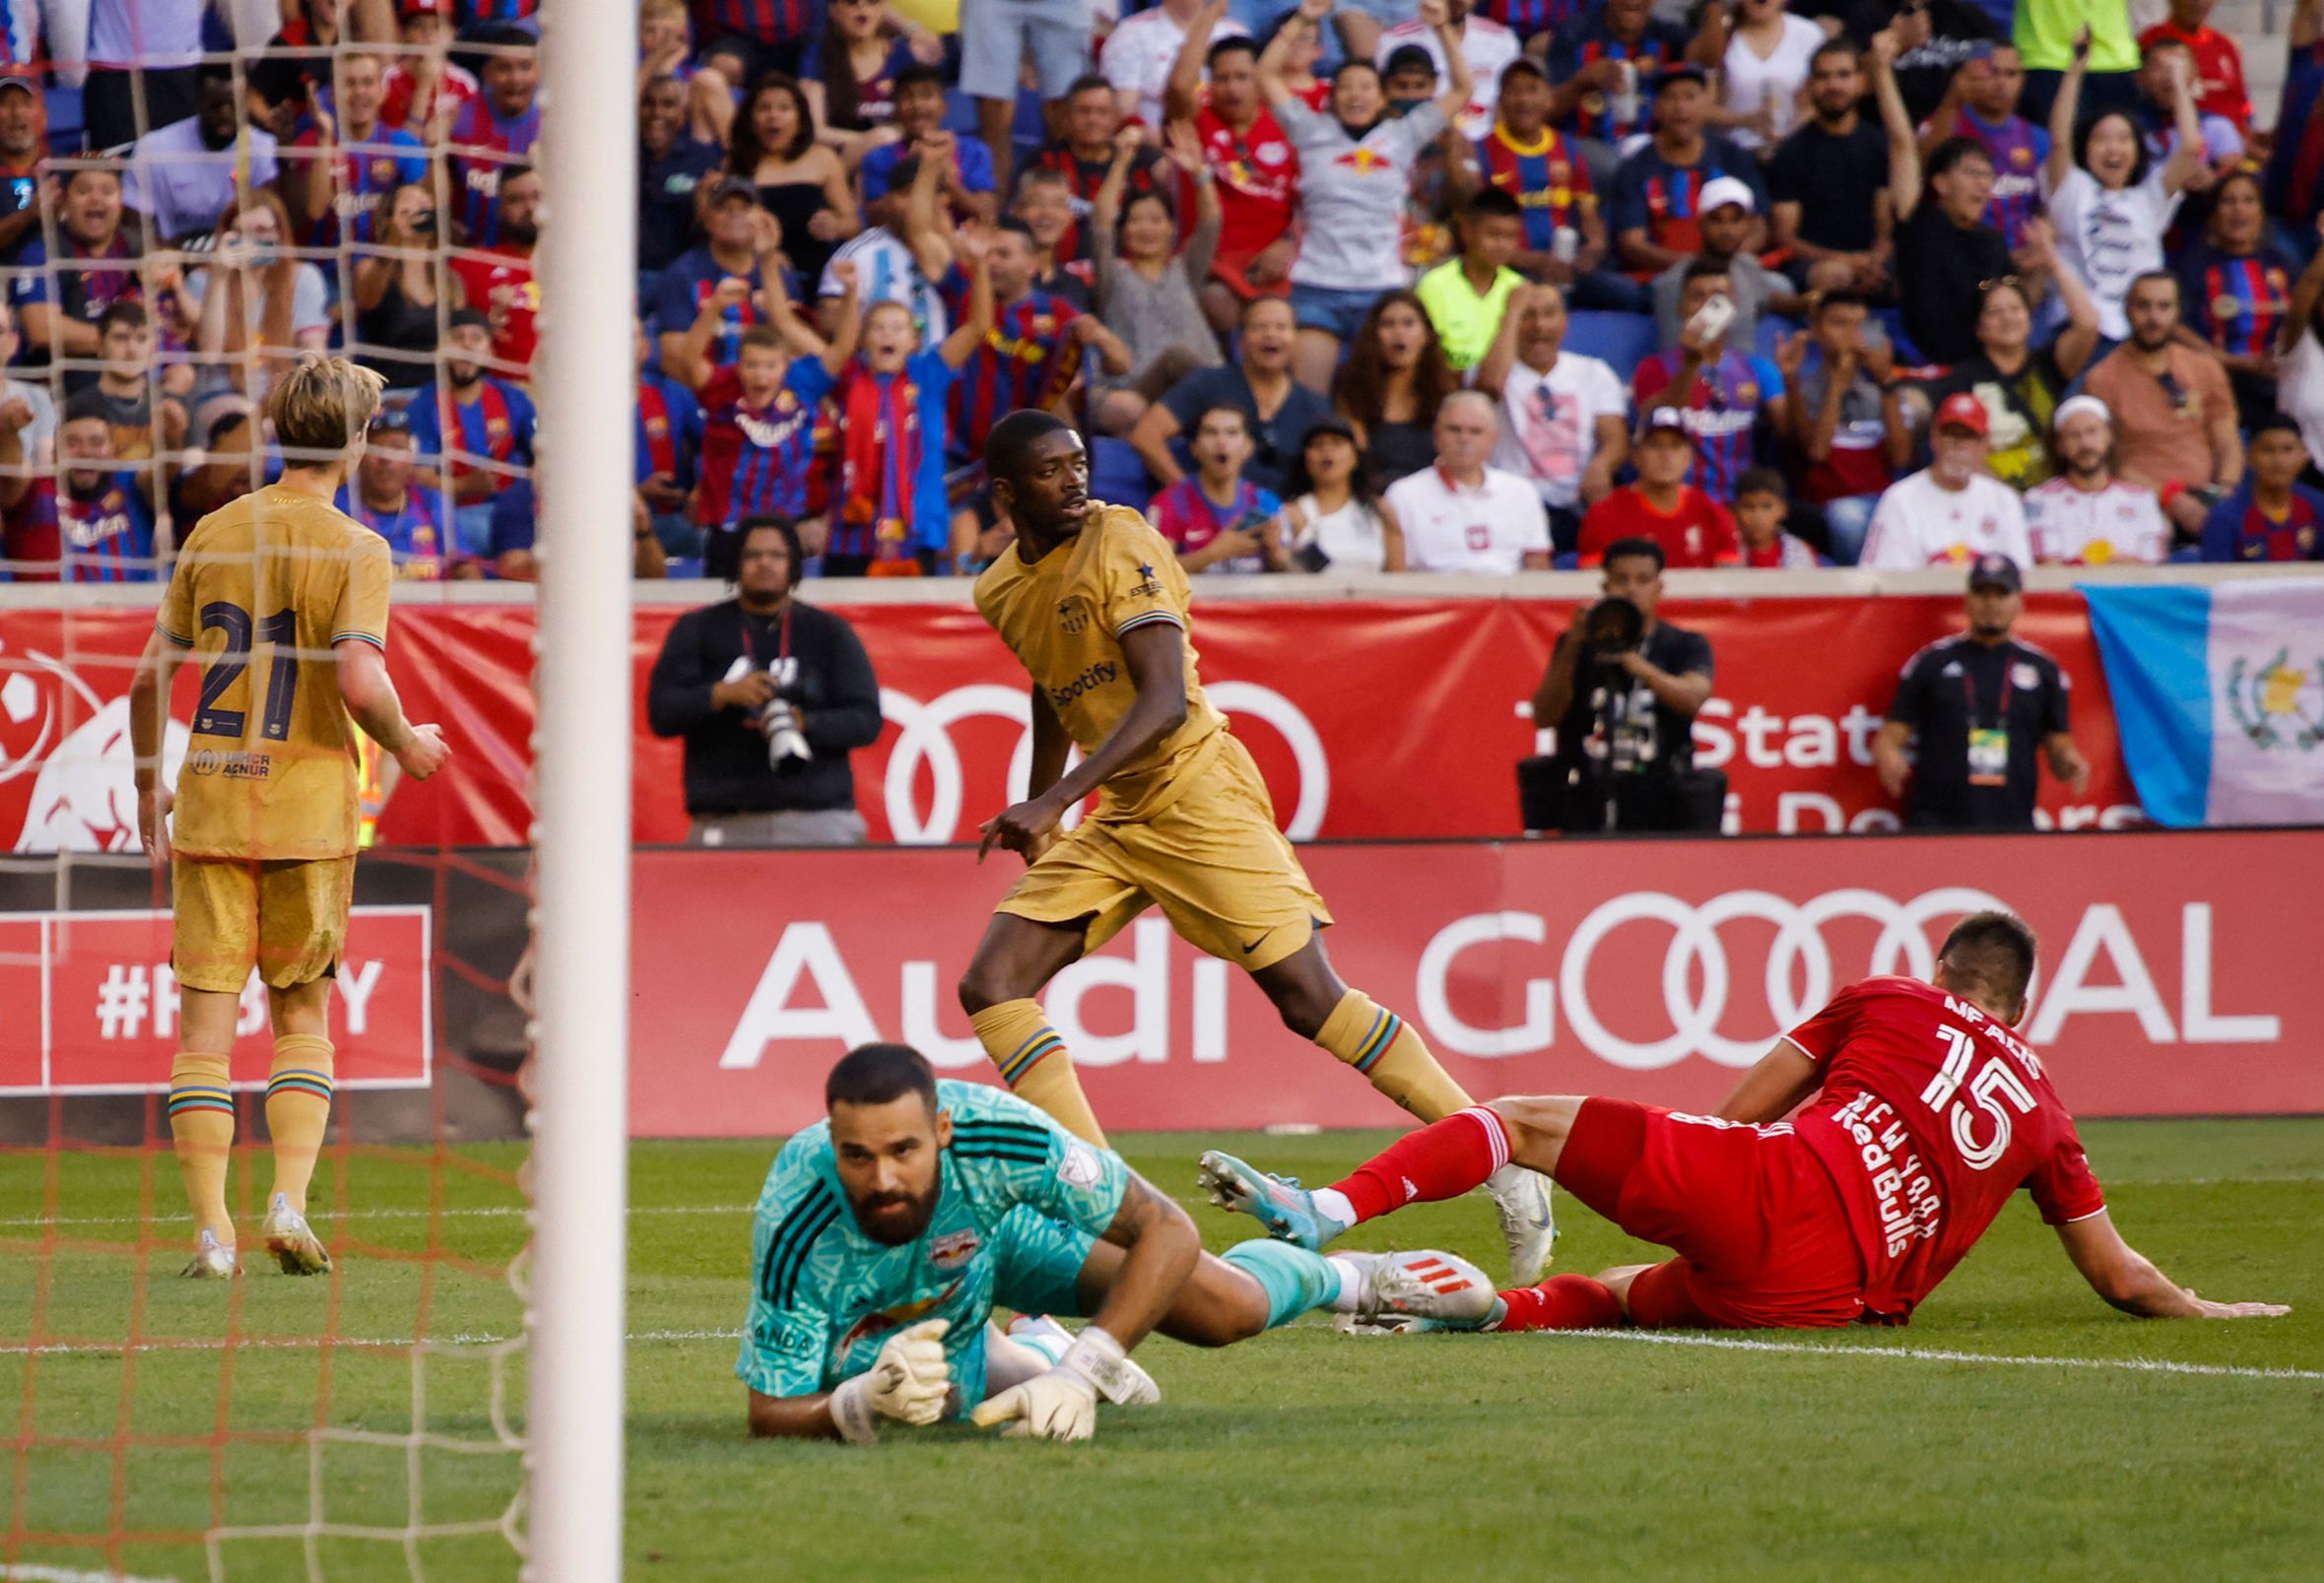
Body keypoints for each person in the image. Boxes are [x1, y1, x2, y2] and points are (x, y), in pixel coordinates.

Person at [960, 408, 1559, 1282]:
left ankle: (1498, 1158)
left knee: (1307, 999)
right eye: (1051, 472)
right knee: (992, 982)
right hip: (1118, 809)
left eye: (1080, 462)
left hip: (1198, 787)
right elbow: (1053, 686)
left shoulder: (1119, 537)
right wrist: (1045, 804)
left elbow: (1163, 697)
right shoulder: (997, 588)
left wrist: (1056, 796)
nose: (1075, 480)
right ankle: (1112, 1205)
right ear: (1006, 492)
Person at [1202, 911, 2289, 1332]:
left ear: (1944, 971)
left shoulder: (1889, 997)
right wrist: (2212, 1305)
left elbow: (1741, 1109)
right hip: (1829, 1299)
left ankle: (1324, 1207)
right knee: (1616, 1301)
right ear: (2019, 1004)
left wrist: (1686, 1174)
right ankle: (1475, 1309)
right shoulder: (2046, 1111)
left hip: (1772, 1195)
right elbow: (2119, 1277)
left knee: (1519, 1118)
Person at [126, 356, 451, 1280]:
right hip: (307, 805)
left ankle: (210, 1234)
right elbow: (358, 676)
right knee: (301, 1006)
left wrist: (151, 779)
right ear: (354, 443)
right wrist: (403, 739)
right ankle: (289, 1203)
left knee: (205, 1025)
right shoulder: (356, 546)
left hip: (214, 796)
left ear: (276, 432)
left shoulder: (214, 532)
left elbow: (149, 675)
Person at [739, 1042, 1485, 1442]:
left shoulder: (1003, 1136)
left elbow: (1166, 1226)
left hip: (1007, 1232)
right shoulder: (797, 1208)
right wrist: (859, 1403)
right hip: (910, 1296)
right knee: (934, 1402)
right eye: (856, 1156)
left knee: (1223, 1311)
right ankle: (1020, 1351)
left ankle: (1349, 1279)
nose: (881, 1178)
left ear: (942, 1130)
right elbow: (770, 1409)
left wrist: (1086, 1369)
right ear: (832, 1142)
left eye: (902, 1150)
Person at [1262, 0, 1472, 391]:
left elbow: (1462, 89)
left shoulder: (1403, 135)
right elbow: (1266, 74)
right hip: (1317, 287)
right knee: (1311, 397)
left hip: (1381, 289)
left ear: (1381, 98)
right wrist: (1304, 18)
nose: (1356, 95)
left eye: (1366, 87)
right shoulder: (1309, 131)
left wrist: (1442, 29)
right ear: (1332, 96)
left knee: (1382, 399)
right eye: (1346, 87)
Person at [647, 516, 884, 845]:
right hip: (726, 817)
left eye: (777, 555)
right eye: (753, 555)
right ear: (735, 563)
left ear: (794, 565)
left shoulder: (830, 632)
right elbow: (662, 713)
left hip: (818, 816)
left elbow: (866, 720)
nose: (765, 564)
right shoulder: (697, 629)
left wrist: (803, 722)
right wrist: (721, 695)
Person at [818, 241, 995, 575]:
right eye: (878, 328)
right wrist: (852, 292)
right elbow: (835, 343)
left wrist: (981, 267)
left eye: (898, 327)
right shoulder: (848, 377)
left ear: (913, 341)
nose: (888, 334)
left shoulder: (929, 373)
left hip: (916, 527)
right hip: (853, 529)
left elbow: (977, 327)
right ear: (863, 338)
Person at [1874, 553, 2086, 826]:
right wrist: (1889, 756)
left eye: (2001, 594)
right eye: (1982, 593)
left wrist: (2069, 761)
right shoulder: (1932, 662)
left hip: (2012, 822)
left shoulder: (2043, 669)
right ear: (1968, 599)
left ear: (2020, 601)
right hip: (1936, 823)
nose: (1991, 603)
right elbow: (1890, 737)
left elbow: (2060, 746)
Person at [1525, 535, 1715, 833]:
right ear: (1605, 587)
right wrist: (1575, 643)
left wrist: (1632, 660)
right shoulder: (1576, 645)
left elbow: (1692, 697)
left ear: (1659, 588)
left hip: (1661, 796)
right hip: (1585, 795)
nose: (1631, 589)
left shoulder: (1684, 643)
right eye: (1620, 580)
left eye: (1643, 580)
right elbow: (1544, 716)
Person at [689, 273, 863, 575]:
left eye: (771, 366)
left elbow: (844, 347)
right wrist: (714, 307)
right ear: (738, 365)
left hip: (785, 528)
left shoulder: (803, 386)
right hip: (729, 529)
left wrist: (850, 293)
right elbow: (687, 361)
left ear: (786, 365)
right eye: (752, 365)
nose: (761, 376)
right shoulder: (721, 389)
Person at [2041, 33, 2203, 345]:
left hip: (2139, 332)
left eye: (2124, 139)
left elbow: (2191, 149)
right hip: (2079, 328)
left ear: (2138, 151)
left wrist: (2180, 84)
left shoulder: (2148, 198)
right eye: (2101, 139)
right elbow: (2059, 141)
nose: (2113, 148)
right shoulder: (2073, 189)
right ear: (2085, 149)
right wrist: (2074, 72)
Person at [1911, 229, 2100, 492]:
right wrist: (2006, 501)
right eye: (1995, 312)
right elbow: (1952, 447)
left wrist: (2053, 262)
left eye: (2015, 309)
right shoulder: (1963, 378)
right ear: (1979, 328)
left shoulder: (2049, 364)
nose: (2008, 318)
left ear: (2029, 318)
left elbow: (2088, 325)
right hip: (1992, 502)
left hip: (2053, 498)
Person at [1872, 33, 2019, 367]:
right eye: (1971, 174)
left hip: (1985, 365)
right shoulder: (1922, 223)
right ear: (1940, 183)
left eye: (1986, 176)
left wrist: (2042, 266)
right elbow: (1902, 145)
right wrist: (1881, 69)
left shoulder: (1991, 242)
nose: (1982, 185)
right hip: (1929, 365)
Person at [2080, 272, 2242, 544]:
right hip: (2140, 505)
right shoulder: (2102, 378)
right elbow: (2109, 459)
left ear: (2178, 313)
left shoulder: (2204, 367)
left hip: (2210, 500)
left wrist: (2225, 491)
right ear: (2127, 310)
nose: (2153, 318)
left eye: (2164, 307)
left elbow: (2226, 436)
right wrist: (2173, 501)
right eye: (2143, 306)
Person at [1089, 129, 1224, 437]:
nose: (1146, 229)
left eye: (1155, 220)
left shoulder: (1185, 270)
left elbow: (1211, 223)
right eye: (1135, 221)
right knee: (1174, 358)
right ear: (1124, 231)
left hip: (1196, 388)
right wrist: (1121, 161)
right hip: (1138, 390)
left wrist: (1200, 174)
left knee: (1187, 364)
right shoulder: (1114, 277)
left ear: (1171, 229)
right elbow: (1101, 224)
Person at [1130, 296, 1330, 499]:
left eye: (1281, 327)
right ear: (1241, 341)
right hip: (1209, 521)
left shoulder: (1315, 406)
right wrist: (1191, 497)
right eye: (1259, 327)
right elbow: (1146, 436)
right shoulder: (1207, 383)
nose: (1270, 334)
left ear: (1296, 340)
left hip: (1282, 520)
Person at [1476, 284, 1627, 553]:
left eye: (1549, 314)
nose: (1539, 325)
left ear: (1565, 322)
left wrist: (1602, 465)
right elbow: (1489, 389)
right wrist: (1511, 312)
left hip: (1576, 501)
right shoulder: (1492, 369)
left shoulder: (1592, 372)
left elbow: (1615, 439)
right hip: (1511, 504)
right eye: (1527, 315)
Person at [1632, 260, 1786, 506]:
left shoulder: (1760, 370)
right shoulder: (1653, 369)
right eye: (1696, 297)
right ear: (1682, 307)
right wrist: (1691, 363)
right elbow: (1656, 422)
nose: (1706, 307)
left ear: (1733, 306)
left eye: (1717, 299)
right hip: (1680, 505)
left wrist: (1791, 379)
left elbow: (1790, 439)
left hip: (1744, 508)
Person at [1605, 67, 1769, 285]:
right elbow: (1633, 244)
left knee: (1778, 285)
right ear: (1656, 108)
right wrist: (1698, 267)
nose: (1680, 107)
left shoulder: (1730, 155)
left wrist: (1725, 265)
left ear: (1705, 105)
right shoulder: (1635, 168)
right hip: (1665, 277)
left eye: (1690, 97)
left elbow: (1758, 226)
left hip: (1732, 271)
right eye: (1671, 98)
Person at [1780, 291, 1910, 562]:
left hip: (1881, 503)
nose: (1852, 334)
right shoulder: (1803, 391)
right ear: (1816, 331)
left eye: (1859, 325)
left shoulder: (1883, 393)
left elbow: (1901, 458)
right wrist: (1838, 384)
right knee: (1846, 516)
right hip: (1829, 509)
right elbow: (1816, 452)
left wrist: (1886, 383)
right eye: (1840, 324)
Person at [1466, 59, 1612, 301]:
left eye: (1532, 89)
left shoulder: (1568, 148)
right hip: (1511, 271)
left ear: (1549, 99)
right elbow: (1477, 233)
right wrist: (1536, 261)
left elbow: (1589, 213)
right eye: (1514, 91)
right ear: (1501, 100)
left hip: (1567, 267)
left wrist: (1594, 247)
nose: (1524, 100)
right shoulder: (1481, 151)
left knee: (1626, 296)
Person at [407, 308, 538, 558]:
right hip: (452, 514)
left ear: (490, 352)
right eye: (457, 337)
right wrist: (463, 486)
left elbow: (542, 459)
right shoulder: (423, 405)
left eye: (476, 338)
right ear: (440, 351)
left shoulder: (514, 399)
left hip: (509, 511)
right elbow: (419, 475)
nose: (466, 344)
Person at [1768, 41, 1894, 297]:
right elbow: (1785, 237)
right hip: (1814, 265)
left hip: (1874, 262)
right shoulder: (1791, 153)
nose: (1834, 85)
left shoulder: (1880, 145)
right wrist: (1847, 261)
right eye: (1823, 77)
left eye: (1843, 75)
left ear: (1861, 81)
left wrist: (1873, 260)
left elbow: (1886, 226)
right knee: (1836, 275)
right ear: (1810, 85)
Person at [1546, 0, 1715, 187]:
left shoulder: (1667, 35)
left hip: (1653, 145)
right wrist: (1580, 83)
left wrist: (1715, 5)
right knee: (1619, 168)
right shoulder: (1575, 33)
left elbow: (1708, 59)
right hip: (1586, 141)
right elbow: (1546, 110)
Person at [2176, 171, 2298, 429]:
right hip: (2218, 382)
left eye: (2248, 200)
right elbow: (2176, 326)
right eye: (2228, 201)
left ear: (2262, 213)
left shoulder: (2283, 265)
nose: (2239, 210)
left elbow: (2306, 316)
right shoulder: (2194, 266)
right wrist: (2228, 360)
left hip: (2280, 383)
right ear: (2212, 215)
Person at [1378, 391, 1551, 573]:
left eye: (1475, 431)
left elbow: (1537, 567)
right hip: (1433, 596)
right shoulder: (1403, 494)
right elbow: (1396, 571)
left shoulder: (1521, 492)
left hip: (1506, 596)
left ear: (1493, 439)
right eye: (1454, 429)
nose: (1464, 439)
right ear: (1436, 434)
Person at [1860, 393, 2031, 569]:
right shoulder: (1900, 498)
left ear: (1984, 444)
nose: (1958, 445)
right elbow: (1884, 579)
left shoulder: (2002, 499)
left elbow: (2020, 576)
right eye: (1951, 434)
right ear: (1934, 438)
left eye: (1968, 436)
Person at [2, 394, 163, 582]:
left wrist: (170, 437)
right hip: (46, 610)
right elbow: (9, 475)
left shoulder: (133, 487)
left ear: (113, 451)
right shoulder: (35, 492)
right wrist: (6, 430)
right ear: (54, 453)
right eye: (72, 442)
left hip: (128, 610)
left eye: (96, 442)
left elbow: (166, 476)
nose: (85, 452)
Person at [1021, 75, 1171, 271]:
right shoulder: (1046, 161)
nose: (1093, 119)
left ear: (1117, 117)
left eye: (1102, 112)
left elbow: (1175, 191)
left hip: (1126, 275)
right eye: (1084, 111)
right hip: (1062, 274)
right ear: (1067, 116)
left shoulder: (1141, 160)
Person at [10, 169, 141, 394]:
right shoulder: (42, 250)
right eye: (83, 191)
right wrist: (122, 343)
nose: (96, 199)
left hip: (132, 373)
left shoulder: (137, 247)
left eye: (107, 191)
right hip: (60, 380)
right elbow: (40, 328)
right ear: (64, 201)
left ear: (121, 201)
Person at [122, 64, 283, 245]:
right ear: (198, 101)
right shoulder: (154, 148)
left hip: (243, 258)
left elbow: (272, 223)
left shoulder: (262, 147)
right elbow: (134, 226)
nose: (225, 113)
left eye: (234, 104)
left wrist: (287, 152)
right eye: (216, 105)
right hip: (171, 259)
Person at [657, 176, 794, 385]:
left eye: (745, 208)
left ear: (763, 217)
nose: (735, 215)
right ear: (707, 219)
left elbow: (796, 347)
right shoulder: (682, 274)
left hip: (768, 394)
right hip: (707, 392)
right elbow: (674, 360)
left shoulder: (780, 274)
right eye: (724, 208)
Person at [289, 50, 431, 253]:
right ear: (332, 95)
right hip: (325, 269)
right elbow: (315, 210)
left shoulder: (405, 146)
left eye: (368, 82)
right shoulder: (309, 144)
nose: (359, 92)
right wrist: (325, 139)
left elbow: (421, 221)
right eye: (349, 83)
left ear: (383, 91)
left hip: (383, 266)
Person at [731, 73, 861, 290]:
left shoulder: (823, 159)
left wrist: (836, 226)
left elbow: (854, 223)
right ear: (750, 121)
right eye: (764, 108)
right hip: (752, 276)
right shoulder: (734, 165)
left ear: (800, 120)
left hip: (814, 275)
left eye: (784, 109)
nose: (773, 116)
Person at [1917, 40, 2049, 253]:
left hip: (2022, 259)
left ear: (2023, 80)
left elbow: (2049, 210)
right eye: (1992, 73)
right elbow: (1921, 172)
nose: (2000, 83)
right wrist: (1953, 100)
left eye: (2010, 74)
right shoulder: (1944, 124)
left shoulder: (2040, 140)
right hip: (1958, 254)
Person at [1577, 408, 1738, 569]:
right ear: (1636, 456)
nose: (1666, 455)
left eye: (1675, 446)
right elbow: (1594, 584)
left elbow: (1730, 583)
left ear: (1689, 457)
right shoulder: (1604, 514)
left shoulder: (1713, 515)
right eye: (1655, 445)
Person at [1647, 178, 1791, 355]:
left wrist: (1811, 302)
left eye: (1736, 220)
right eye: (1716, 220)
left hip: (1745, 373)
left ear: (1749, 224)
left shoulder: (1748, 266)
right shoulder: (1673, 281)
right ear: (1700, 222)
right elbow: (1671, 354)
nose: (1727, 230)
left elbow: (1765, 299)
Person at [2025, 396, 2169, 565]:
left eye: (2092, 431)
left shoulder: (2141, 499)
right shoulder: (2040, 499)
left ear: (2109, 436)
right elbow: (2047, 566)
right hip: (2070, 590)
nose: (2085, 443)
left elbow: (2155, 566)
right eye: (2073, 435)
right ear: (2060, 446)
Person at [1333, 291, 1458, 487]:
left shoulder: (1446, 392)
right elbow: (1355, 461)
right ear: (1373, 335)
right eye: (1388, 324)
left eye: (1408, 323)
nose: (1399, 333)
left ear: (1426, 334)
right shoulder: (1352, 389)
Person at [800, 0, 947, 164]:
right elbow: (816, 131)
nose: (862, 8)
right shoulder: (817, 57)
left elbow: (924, 114)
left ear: (882, 9)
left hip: (902, 156)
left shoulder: (902, 55)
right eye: (852, 3)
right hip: (842, 158)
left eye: (872, 2)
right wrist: (870, 140)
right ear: (834, 11)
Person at [1152, 404, 1289, 573]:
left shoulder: (1267, 503)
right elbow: (1155, 574)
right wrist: (1215, 553)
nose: (1221, 442)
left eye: (1232, 433)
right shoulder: (1169, 503)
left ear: (1248, 447)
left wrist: (1274, 553)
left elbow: (1289, 574)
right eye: (1210, 432)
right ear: (1194, 448)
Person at [861, 65, 997, 229]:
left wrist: (949, 184)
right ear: (895, 108)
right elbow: (874, 220)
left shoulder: (974, 151)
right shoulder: (878, 158)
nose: (917, 105)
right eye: (907, 96)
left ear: (943, 105)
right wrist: (909, 171)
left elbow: (986, 213)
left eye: (926, 95)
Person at [335, 407, 458, 580]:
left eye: (396, 448)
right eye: (375, 448)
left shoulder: (432, 502)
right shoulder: (337, 507)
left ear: (411, 458)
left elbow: (464, 565)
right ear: (358, 456)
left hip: (429, 604)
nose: (386, 458)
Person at [446, 29, 543, 248]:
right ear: (487, 73)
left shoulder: (553, 129)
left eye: (525, 67)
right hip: (471, 258)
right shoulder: (458, 121)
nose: (515, 78)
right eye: (504, 68)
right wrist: (445, 223)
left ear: (539, 72)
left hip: (534, 261)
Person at [1416, 188, 1525, 374]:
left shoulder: (1519, 287)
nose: (1502, 245)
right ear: (1466, 232)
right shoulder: (1434, 285)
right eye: (1493, 235)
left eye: (1510, 237)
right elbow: (1426, 354)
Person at [350, 183, 446, 395]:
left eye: (424, 203)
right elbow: (367, 300)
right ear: (388, 220)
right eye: (406, 210)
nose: (419, 210)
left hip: (439, 393)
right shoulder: (369, 267)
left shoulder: (449, 277)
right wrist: (393, 242)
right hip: (389, 392)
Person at [1278, 416, 1406, 572]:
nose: (1327, 451)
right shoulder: (1291, 514)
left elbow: (1398, 577)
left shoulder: (1380, 511)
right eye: (1317, 445)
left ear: (1356, 457)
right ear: (1305, 459)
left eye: (1337, 443)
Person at [1374, 0, 1519, 139]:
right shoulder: (1395, 40)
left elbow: (1509, 105)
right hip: (1421, 144)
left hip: (1486, 145)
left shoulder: (1502, 39)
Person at [447, 165, 542, 375]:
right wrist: (491, 323)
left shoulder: (580, 266)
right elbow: (451, 336)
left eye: (538, 196)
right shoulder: (471, 265)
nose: (530, 207)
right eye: (516, 199)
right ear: (499, 209)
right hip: (507, 391)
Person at [1105, 0, 1251, 133]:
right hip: (1158, 146)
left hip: (1227, 146)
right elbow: (1124, 114)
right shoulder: (1130, 34)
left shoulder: (1235, 33)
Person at [639, 74, 723, 290]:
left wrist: (704, 202)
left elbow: (709, 231)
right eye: (648, 104)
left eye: (668, 105)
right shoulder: (619, 155)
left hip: (680, 279)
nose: (657, 113)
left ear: (682, 114)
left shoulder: (702, 158)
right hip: (621, 276)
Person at [2200, 417, 2324, 562]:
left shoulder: (2318, 506)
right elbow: (2216, 578)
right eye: (2268, 450)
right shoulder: (2224, 518)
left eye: (2288, 450)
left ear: (2304, 455)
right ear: (2249, 456)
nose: (2279, 461)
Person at [1713, 0, 1826, 151]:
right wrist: (1746, 120)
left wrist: (1787, 137)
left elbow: (1822, 98)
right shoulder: (1722, 37)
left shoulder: (1809, 34)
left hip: (1796, 149)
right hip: (1735, 150)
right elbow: (1702, 108)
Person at [2138, 0, 2249, 133]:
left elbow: (2242, 105)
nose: (2199, 3)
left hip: (2234, 144)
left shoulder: (2225, 45)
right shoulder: (2152, 41)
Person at [1733, 467, 1821, 566]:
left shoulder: (1798, 552)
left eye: (1767, 506)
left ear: (1783, 510)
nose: (1757, 516)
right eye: (1748, 507)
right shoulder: (1728, 548)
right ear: (1735, 510)